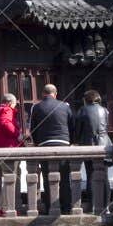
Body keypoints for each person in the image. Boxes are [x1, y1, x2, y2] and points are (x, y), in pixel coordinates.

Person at [28, 83, 74, 214]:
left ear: (43, 94)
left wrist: (37, 143)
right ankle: (66, 207)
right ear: (56, 93)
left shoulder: (36, 107)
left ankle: (50, 207)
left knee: (47, 177)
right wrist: (70, 142)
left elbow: (33, 128)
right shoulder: (65, 106)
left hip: (45, 144)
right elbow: (72, 125)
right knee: (64, 177)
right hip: (63, 143)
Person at [0, 93, 24, 216]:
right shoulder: (7, 110)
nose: (15, 107)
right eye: (14, 104)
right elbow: (5, 123)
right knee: (10, 178)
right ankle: (8, 208)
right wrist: (18, 134)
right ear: (9, 103)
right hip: (8, 149)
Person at [71, 89, 110, 211]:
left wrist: (76, 141)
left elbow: (78, 131)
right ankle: (106, 204)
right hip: (104, 144)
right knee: (104, 176)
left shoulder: (83, 110)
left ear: (85, 100)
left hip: (89, 144)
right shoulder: (105, 110)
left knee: (90, 174)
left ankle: (93, 204)